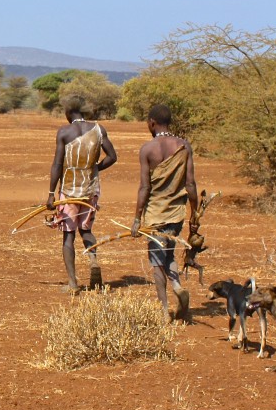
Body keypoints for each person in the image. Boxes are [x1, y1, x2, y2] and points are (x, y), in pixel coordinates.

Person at [132, 104, 198, 322]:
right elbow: (190, 184)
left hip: (154, 215)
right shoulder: (184, 146)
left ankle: (163, 310)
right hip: (176, 213)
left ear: (152, 122)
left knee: (156, 261)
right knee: (169, 253)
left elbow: (144, 188)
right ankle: (178, 286)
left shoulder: (148, 149)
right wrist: (194, 214)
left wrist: (136, 219)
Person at [46, 95, 117, 292]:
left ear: (68, 113)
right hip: (90, 190)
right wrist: (94, 169)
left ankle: (72, 284)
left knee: (68, 236)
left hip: (69, 191)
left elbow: (58, 165)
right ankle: (93, 259)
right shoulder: (98, 129)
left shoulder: (64, 132)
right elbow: (112, 157)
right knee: (86, 230)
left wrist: (52, 194)